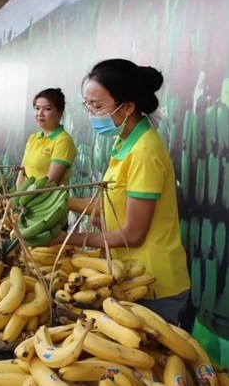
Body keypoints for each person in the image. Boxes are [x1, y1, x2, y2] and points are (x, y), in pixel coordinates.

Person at [57, 59, 190, 324]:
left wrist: (67, 239)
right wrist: (61, 202)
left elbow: (133, 233)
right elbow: (109, 205)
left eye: (97, 106)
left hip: (153, 282)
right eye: (88, 106)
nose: (93, 114)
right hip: (126, 274)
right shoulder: (125, 142)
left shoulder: (144, 151)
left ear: (128, 107)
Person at [16, 88, 77, 187]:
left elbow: (50, 182)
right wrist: (18, 197)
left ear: (59, 112)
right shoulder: (33, 138)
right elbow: (22, 172)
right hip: (25, 199)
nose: (40, 113)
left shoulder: (63, 141)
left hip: (46, 201)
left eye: (47, 109)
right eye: (37, 108)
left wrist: (26, 198)